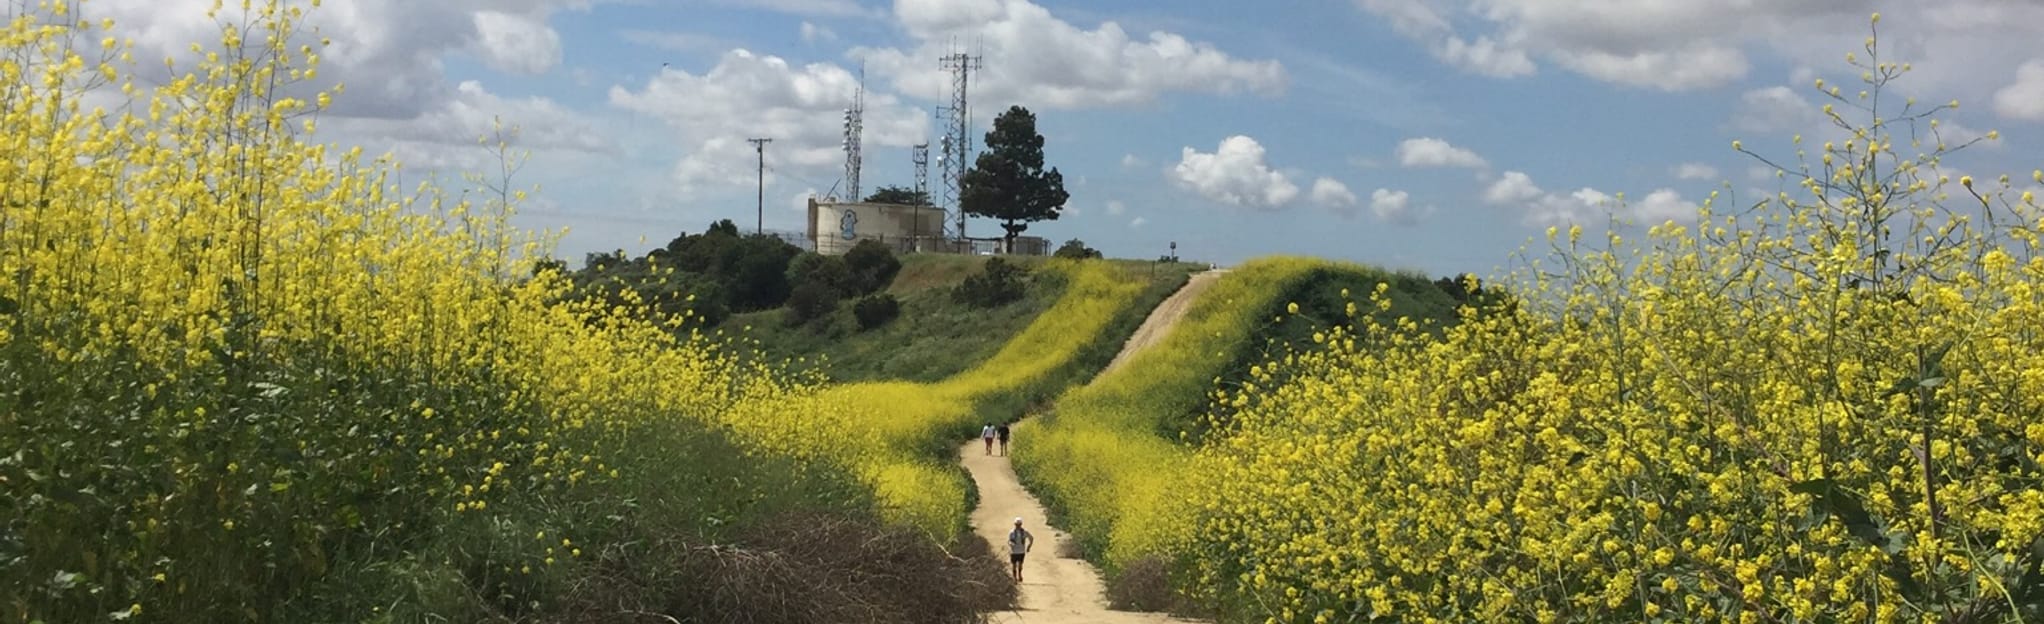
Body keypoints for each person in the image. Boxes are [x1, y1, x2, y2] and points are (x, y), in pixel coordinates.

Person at [1007, 517, 1035, 582]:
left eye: (1019, 524)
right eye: (1017, 524)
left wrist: (1029, 546)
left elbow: (1031, 538)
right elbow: (1009, 541)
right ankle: (1014, 577)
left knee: (1020, 564)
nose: (1018, 526)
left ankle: (1019, 574)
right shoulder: (1012, 532)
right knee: (1014, 565)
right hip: (1014, 551)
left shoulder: (1025, 532)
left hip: (1021, 551)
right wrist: (1011, 544)